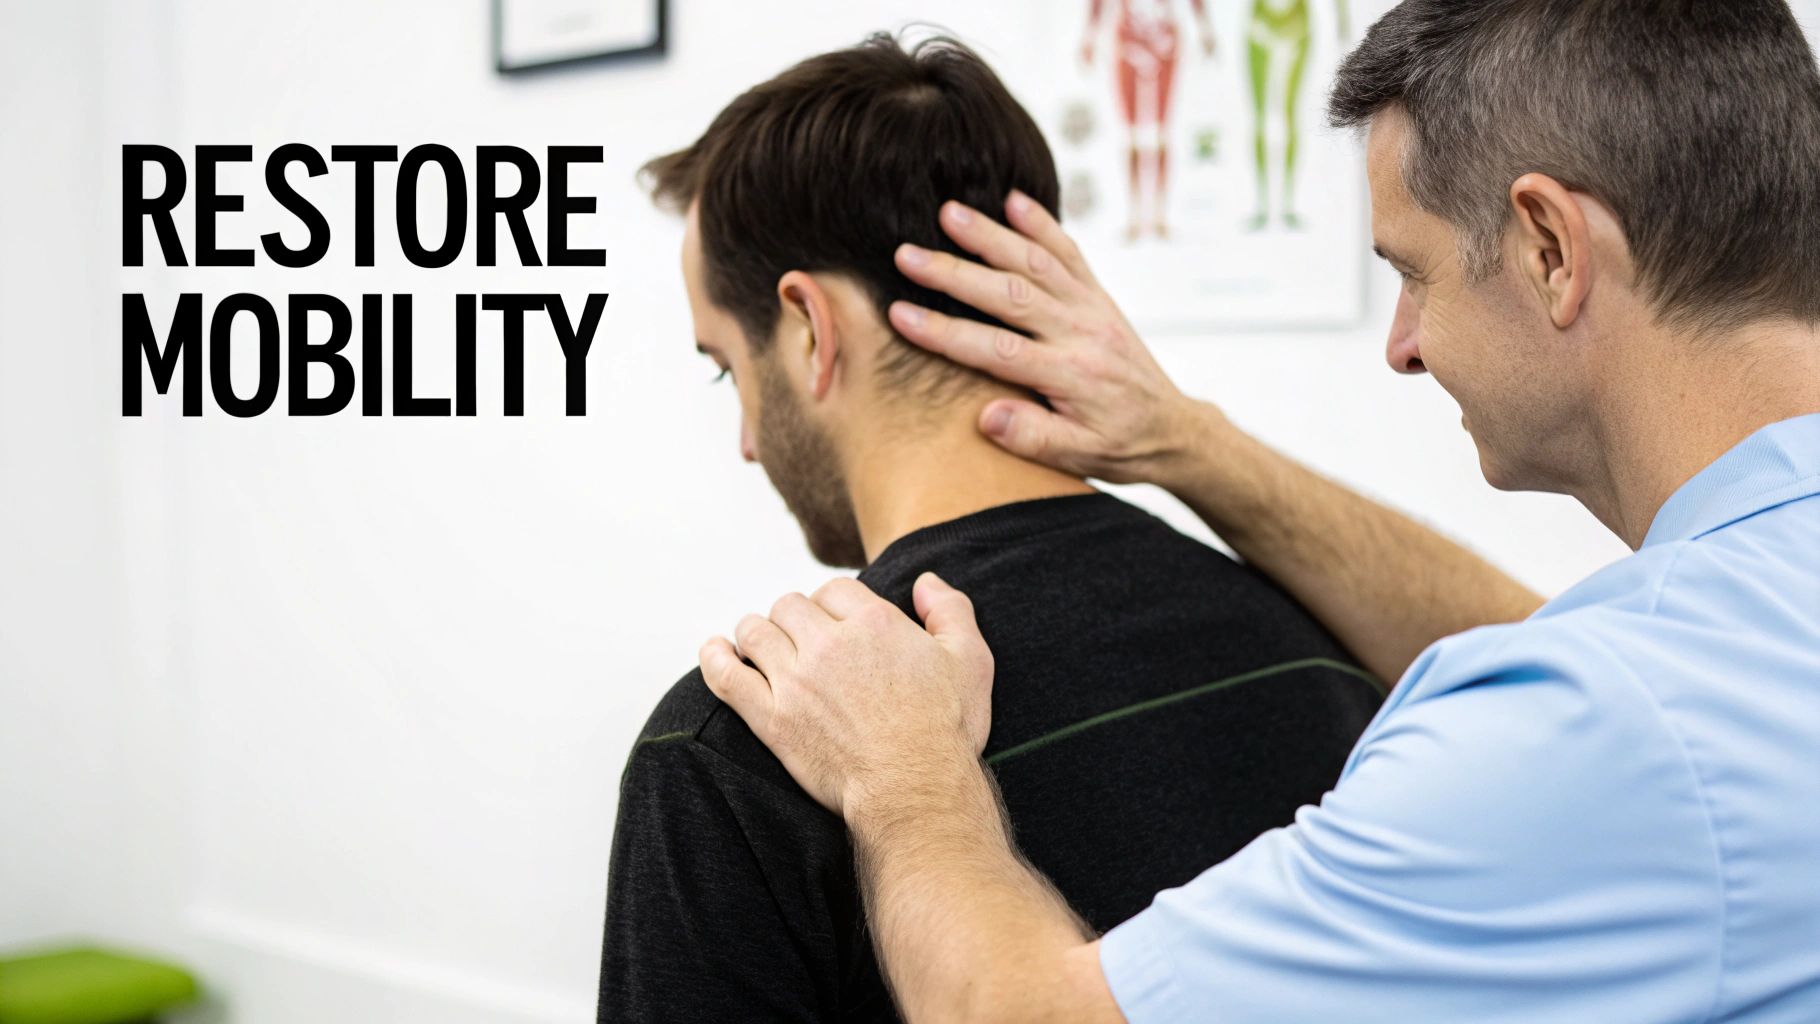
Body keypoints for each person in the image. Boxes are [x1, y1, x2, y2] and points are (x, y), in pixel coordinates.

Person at [699, 2, 1820, 1021]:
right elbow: (1583, 653)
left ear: (1547, 248)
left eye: (1410, 271)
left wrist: (905, 780)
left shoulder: (1600, 724)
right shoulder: (1720, 646)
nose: (1401, 344)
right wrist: (1191, 443)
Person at [596, 35, 1387, 1022]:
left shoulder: (739, 744)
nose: (748, 440)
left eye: (727, 367)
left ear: (805, 327)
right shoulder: (1317, 653)